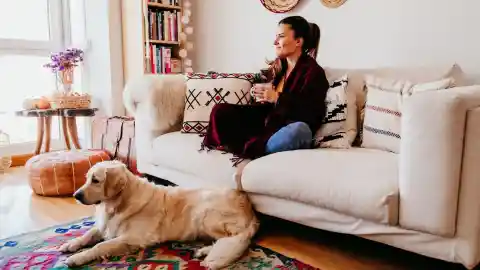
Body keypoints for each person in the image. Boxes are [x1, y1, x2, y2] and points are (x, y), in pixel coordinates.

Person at [200, 16, 330, 168]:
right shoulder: (279, 67)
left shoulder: (313, 72)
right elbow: (270, 109)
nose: (275, 42)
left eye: (281, 37)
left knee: (299, 131)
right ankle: (250, 147)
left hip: (289, 127)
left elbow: (312, 112)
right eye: (275, 37)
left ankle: (255, 149)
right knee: (220, 111)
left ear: (298, 41)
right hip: (269, 123)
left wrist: (277, 99)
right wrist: (263, 98)